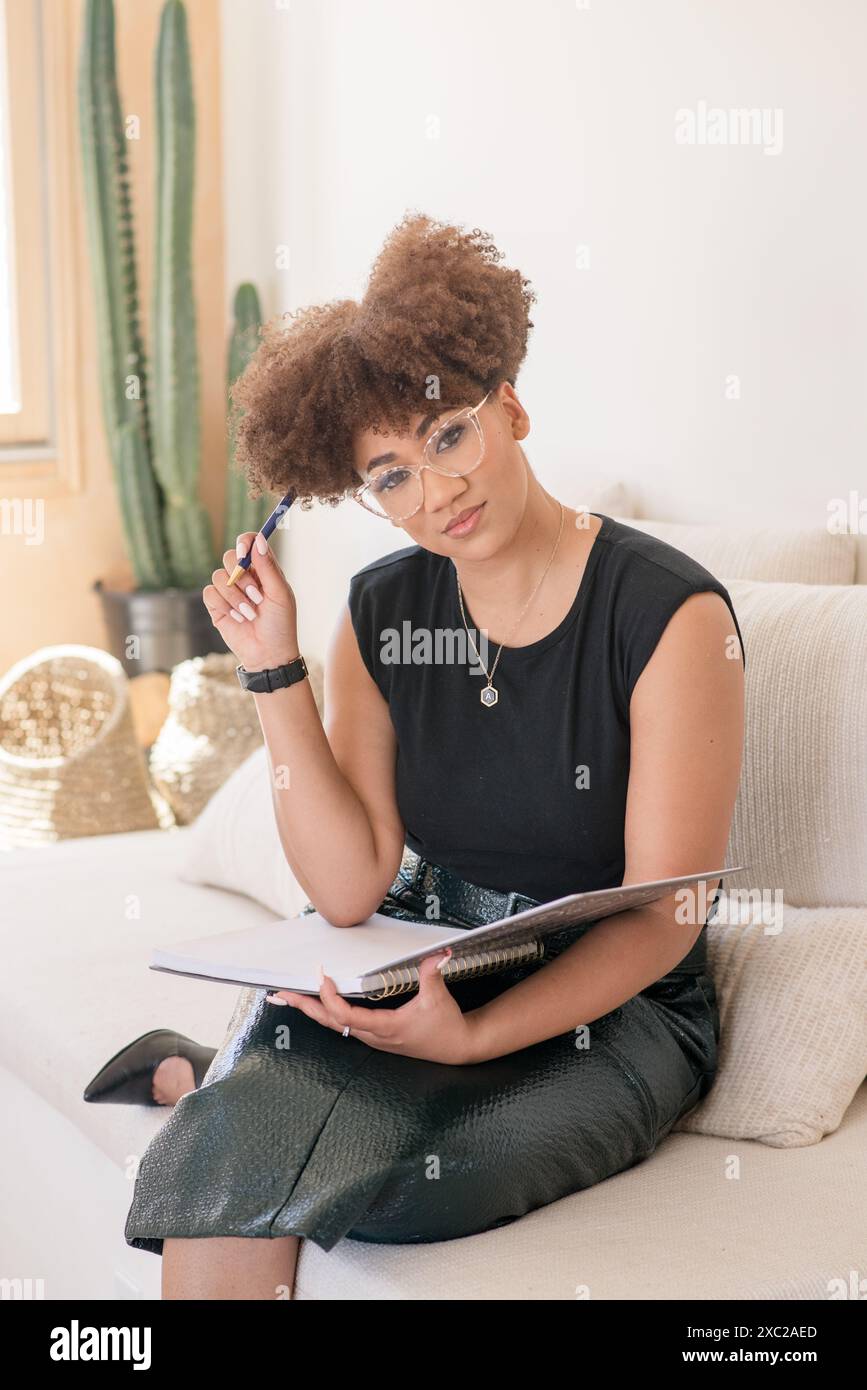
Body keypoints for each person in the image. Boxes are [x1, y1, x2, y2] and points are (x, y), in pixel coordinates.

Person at [120, 212, 745, 1300]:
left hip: (618, 1007)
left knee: (398, 1185)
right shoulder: (380, 608)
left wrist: (472, 1038)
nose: (437, 491)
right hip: (423, 956)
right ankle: (214, 1089)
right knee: (229, 1156)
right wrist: (272, 668)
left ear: (508, 405)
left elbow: (663, 914)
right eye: (392, 475)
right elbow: (351, 884)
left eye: (448, 434)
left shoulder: (669, 614)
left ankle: (200, 1076)